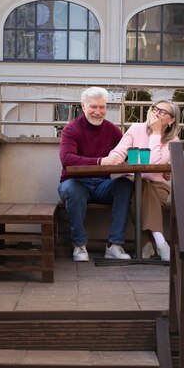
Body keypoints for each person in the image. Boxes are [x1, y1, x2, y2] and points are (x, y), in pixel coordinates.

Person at [58, 86, 134, 262]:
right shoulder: (71, 129)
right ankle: (79, 245)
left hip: (102, 185)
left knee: (125, 185)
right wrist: (101, 161)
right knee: (73, 191)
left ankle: (115, 246)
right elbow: (67, 160)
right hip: (74, 182)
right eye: (93, 107)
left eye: (102, 107)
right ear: (83, 107)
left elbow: (128, 154)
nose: (98, 112)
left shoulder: (112, 130)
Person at [107, 99, 180, 261]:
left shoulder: (173, 141)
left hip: (157, 187)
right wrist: (114, 158)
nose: (156, 113)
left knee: (143, 188)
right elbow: (119, 151)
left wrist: (155, 134)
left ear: (171, 120)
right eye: (155, 109)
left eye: (162, 112)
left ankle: (146, 243)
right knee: (136, 192)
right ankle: (160, 242)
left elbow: (152, 164)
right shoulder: (136, 128)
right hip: (134, 185)